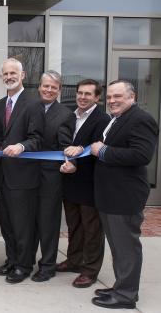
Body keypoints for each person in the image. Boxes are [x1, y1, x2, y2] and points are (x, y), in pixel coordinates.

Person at [88, 80, 158, 309]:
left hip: (124, 197)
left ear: (132, 96)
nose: (112, 101)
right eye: (109, 97)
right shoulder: (118, 120)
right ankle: (121, 286)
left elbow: (141, 155)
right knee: (118, 246)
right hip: (111, 196)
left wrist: (104, 151)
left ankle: (126, 295)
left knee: (126, 247)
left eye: (118, 96)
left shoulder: (141, 119)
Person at [0, 58, 44, 284]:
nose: (9, 77)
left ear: (22, 76)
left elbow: (37, 138)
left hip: (23, 176)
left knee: (23, 225)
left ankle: (24, 265)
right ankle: (12, 260)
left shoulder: (33, 104)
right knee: (7, 224)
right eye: (5, 74)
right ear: (1, 77)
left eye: (13, 73)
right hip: (2, 175)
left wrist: (21, 147)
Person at [57, 79, 109, 288]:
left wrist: (78, 154)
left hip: (90, 184)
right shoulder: (71, 116)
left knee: (92, 230)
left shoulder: (102, 119)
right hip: (70, 181)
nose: (82, 97)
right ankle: (74, 260)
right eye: (80, 93)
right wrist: (69, 160)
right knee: (74, 226)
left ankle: (90, 270)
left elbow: (99, 148)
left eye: (88, 94)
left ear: (97, 97)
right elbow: (64, 143)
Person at [33, 70, 75, 282]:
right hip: (27, 177)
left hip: (50, 179)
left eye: (53, 87)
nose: (48, 90)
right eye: (45, 86)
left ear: (59, 90)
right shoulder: (30, 108)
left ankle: (47, 266)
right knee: (28, 223)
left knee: (48, 224)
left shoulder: (65, 115)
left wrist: (71, 162)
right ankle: (25, 261)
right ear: (39, 87)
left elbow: (66, 146)